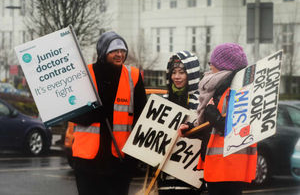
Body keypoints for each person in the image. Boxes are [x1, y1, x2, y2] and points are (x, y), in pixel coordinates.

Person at [70, 31, 147, 195]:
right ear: (103, 52)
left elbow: (142, 118)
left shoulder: (133, 76)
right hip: (87, 161)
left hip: (119, 161)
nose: (120, 54)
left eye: (123, 50)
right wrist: (93, 114)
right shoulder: (84, 74)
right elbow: (72, 113)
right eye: (114, 51)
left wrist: (134, 159)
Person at [178, 43, 257, 195]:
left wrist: (214, 116)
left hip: (231, 165)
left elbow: (238, 129)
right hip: (219, 164)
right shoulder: (218, 89)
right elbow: (210, 127)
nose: (210, 67)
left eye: (212, 63)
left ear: (223, 66)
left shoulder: (240, 91)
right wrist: (191, 128)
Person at [157, 50, 201, 195]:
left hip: (190, 178)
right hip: (164, 176)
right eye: (174, 72)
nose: (177, 76)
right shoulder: (162, 100)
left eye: (182, 72)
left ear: (191, 74)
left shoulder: (201, 102)